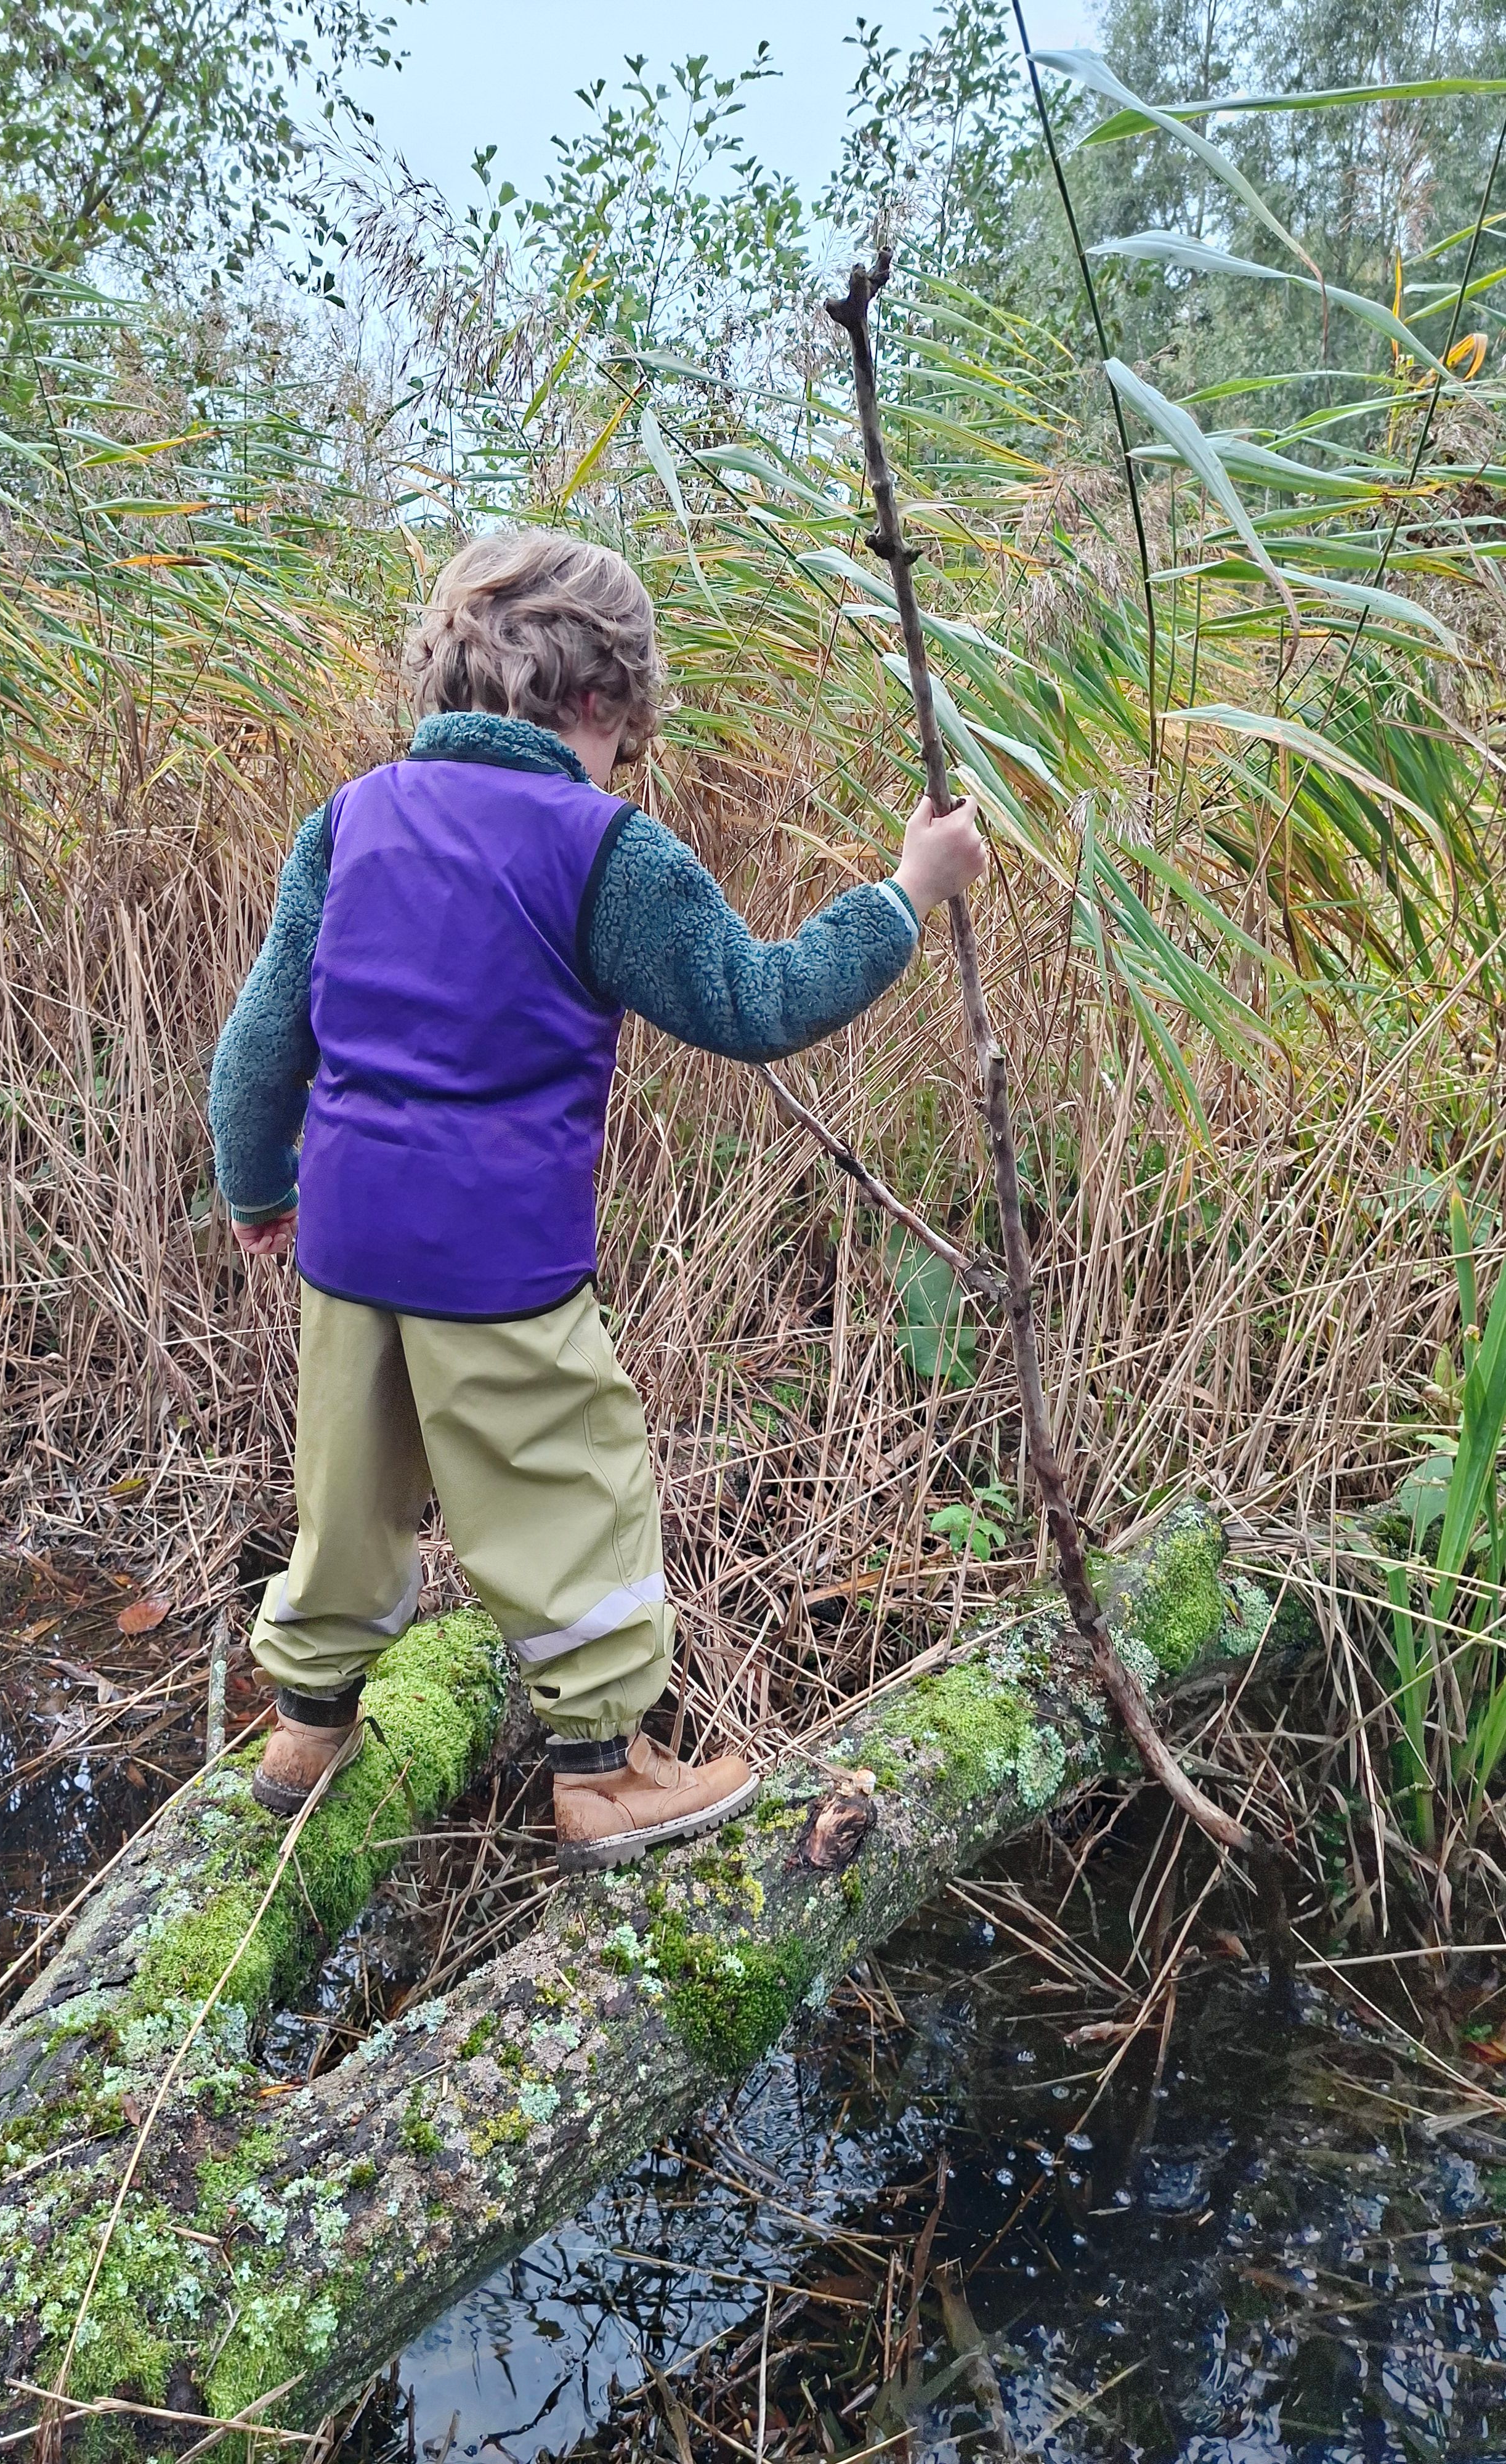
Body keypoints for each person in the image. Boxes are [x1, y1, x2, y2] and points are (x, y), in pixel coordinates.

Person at [208, 530, 986, 1873]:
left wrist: (255, 1184)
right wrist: (909, 892)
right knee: (573, 1489)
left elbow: (261, 1038)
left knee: (347, 1490)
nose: (627, 761)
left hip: (345, 1237)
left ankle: (305, 1724)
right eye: (628, 733)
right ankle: (605, 1770)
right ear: (597, 702)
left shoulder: (344, 822)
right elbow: (758, 1001)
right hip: (497, 1255)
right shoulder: (604, 849)